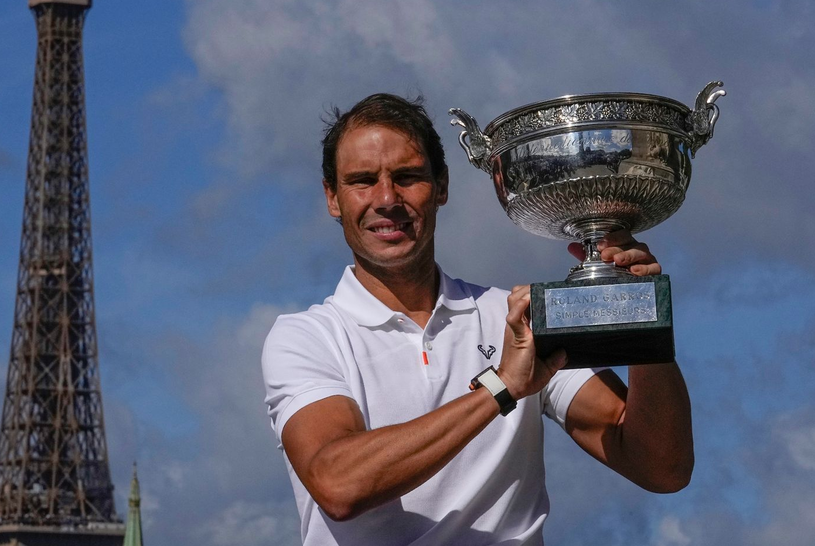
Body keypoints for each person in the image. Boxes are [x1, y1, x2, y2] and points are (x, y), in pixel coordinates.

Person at [261, 93, 693, 546]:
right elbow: (339, 485)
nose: (387, 199)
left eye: (407, 177)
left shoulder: (514, 317)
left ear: (442, 186)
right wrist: (501, 386)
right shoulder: (306, 337)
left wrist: (644, 315)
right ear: (333, 197)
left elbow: (662, 468)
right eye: (362, 181)